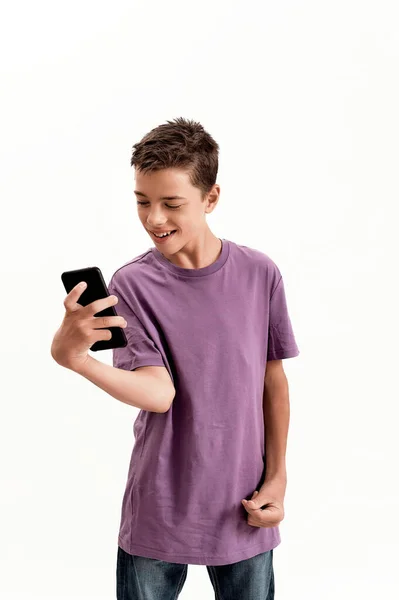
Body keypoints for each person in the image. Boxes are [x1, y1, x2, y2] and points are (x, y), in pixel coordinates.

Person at [51, 117, 300, 600]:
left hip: (244, 501)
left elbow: (273, 380)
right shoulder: (132, 286)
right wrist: (77, 359)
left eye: (171, 204)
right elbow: (159, 393)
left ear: (211, 199)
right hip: (160, 504)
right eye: (142, 202)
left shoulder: (259, 274)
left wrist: (278, 476)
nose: (154, 219)